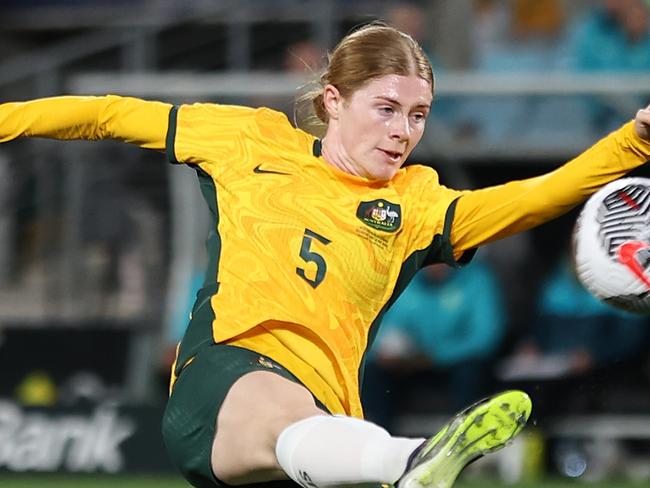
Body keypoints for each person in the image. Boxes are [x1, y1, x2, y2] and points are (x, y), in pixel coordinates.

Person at [1, 22, 650, 488]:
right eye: (387, 109)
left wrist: (633, 141)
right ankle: (411, 462)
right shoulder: (247, 139)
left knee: (307, 425)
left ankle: (396, 462)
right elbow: (107, 114)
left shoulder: (417, 203)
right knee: (285, 413)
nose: (403, 132)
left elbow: (534, 197)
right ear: (333, 102)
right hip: (223, 384)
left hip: (331, 429)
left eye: (419, 115)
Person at [364, 259, 505, 429]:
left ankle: (465, 436)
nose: (436, 263)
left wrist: (435, 356)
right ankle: (380, 440)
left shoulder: (477, 279)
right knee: (373, 373)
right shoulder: (406, 279)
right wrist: (387, 353)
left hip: (455, 364)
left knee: (471, 373)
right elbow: (381, 329)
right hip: (409, 365)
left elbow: (485, 337)